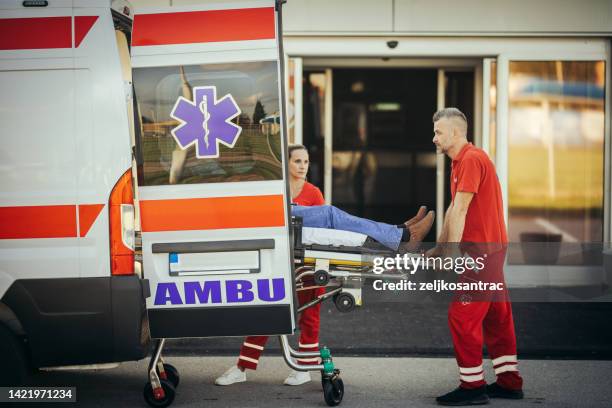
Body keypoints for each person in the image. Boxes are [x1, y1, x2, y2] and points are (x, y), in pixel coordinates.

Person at [215, 144, 434, 386]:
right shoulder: (277, 191)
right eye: (297, 161)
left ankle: (304, 368)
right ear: (286, 164)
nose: (302, 166)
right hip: (278, 256)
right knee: (268, 310)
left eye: (306, 162)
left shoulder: (312, 192)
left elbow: (332, 235)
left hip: (304, 260)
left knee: (309, 311)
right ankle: (243, 366)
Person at [426, 108, 523, 406]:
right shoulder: (460, 162)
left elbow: (462, 209)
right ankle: (509, 382)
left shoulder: (471, 159)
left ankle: (472, 387)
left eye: (438, 132)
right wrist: (441, 247)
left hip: (483, 252)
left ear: (455, 133)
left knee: (461, 315)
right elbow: (454, 209)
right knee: (497, 315)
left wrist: (452, 253)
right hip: (490, 250)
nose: (434, 138)